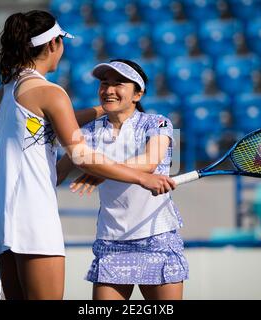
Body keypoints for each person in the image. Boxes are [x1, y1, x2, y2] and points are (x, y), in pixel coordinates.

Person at [0, 11, 176, 300]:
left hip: (1, 212)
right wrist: (140, 178)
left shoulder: (6, 90)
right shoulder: (50, 92)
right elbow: (81, 155)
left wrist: (101, 110)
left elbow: (51, 124)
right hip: (33, 212)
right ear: (53, 45)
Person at [57, 59, 188, 300]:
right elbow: (58, 169)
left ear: (138, 94)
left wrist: (99, 171)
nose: (108, 90)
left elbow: (149, 161)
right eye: (104, 84)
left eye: (118, 84)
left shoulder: (157, 122)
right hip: (112, 241)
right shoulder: (88, 132)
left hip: (156, 237)